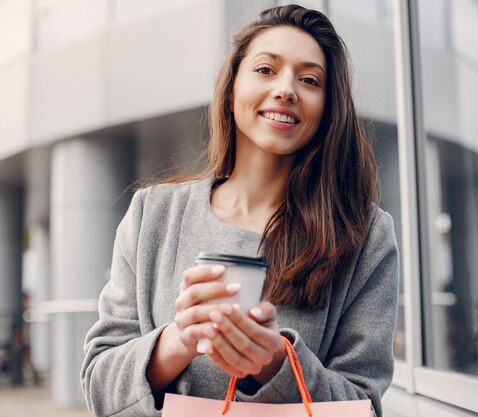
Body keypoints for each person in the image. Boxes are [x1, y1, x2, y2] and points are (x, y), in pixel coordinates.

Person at [80, 5, 399, 417]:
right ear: (231, 92)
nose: (287, 89)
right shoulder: (153, 215)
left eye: (309, 79)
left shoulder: (366, 234)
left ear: (327, 109)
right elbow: (99, 388)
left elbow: (364, 408)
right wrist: (179, 340)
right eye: (266, 70)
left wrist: (275, 365)